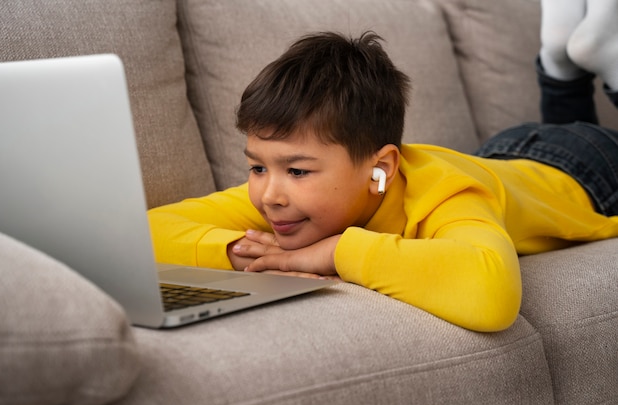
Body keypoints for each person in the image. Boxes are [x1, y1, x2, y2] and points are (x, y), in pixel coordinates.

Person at [148, 21, 618, 332]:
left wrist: (332, 251)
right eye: (256, 166)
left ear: (381, 168)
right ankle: (561, 62)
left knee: (589, 131)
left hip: (584, 169)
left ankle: (582, 67)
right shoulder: (280, 194)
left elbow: (491, 295)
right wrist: (236, 254)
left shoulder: (448, 195)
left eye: (296, 170)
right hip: (499, 155)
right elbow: (141, 232)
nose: (268, 195)